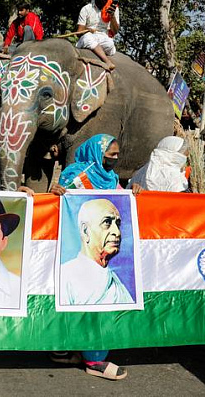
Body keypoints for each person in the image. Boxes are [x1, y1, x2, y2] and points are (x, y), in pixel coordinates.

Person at [49, 133, 128, 381]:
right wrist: (56, 193)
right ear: (97, 152)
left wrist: (132, 193)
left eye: (116, 155)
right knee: (80, 297)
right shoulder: (75, 175)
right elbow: (63, 206)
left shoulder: (111, 178)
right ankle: (90, 358)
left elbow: (120, 197)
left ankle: (87, 352)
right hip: (77, 251)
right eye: (110, 154)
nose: (114, 159)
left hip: (101, 258)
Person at [60, 198, 133, 307]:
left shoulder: (116, 282)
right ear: (85, 231)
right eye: (107, 222)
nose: (117, 232)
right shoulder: (65, 276)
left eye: (117, 224)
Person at [76, 0, 120, 71]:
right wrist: (87, 30)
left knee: (110, 44)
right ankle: (106, 60)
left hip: (103, 38)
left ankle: (97, 49)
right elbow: (79, 32)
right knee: (87, 38)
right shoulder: (86, 9)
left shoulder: (113, 9)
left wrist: (112, 17)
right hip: (88, 37)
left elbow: (115, 31)